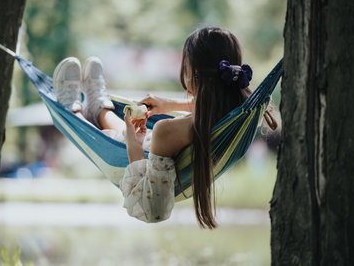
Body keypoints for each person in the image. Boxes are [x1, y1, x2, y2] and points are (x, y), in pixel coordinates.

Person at [53, 26, 277, 229]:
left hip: (144, 156)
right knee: (121, 128)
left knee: (110, 136)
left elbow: (152, 210)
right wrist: (170, 104)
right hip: (157, 146)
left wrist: (133, 147)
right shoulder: (245, 109)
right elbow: (212, 101)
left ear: (194, 74)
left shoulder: (167, 131)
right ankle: (99, 107)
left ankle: (72, 110)